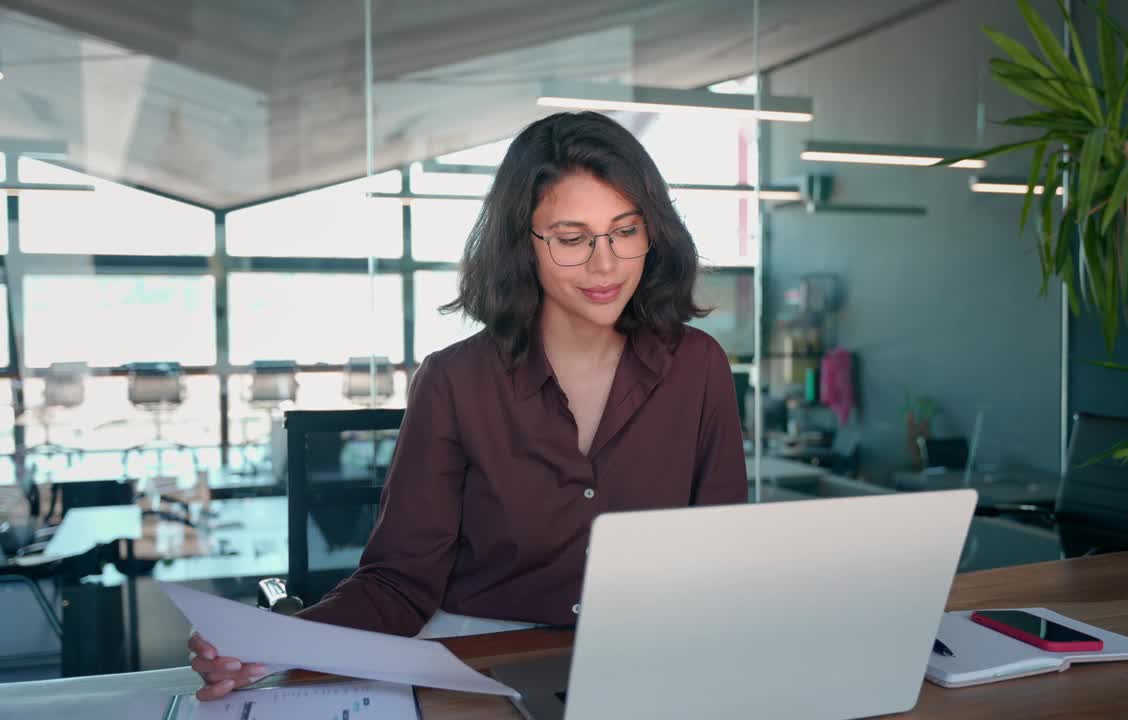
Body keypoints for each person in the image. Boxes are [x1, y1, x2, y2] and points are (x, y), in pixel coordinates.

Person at [189, 111, 748, 699]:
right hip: (484, 660)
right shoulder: (454, 381)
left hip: (648, 659)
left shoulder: (697, 366)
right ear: (522, 244)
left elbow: (720, 562)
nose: (605, 263)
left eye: (625, 231)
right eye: (571, 239)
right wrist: (275, 640)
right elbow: (399, 583)